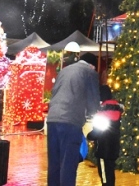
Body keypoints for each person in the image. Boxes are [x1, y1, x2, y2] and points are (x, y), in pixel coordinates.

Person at [46, 52, 100, 186]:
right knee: (68, 163)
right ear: (92, 65)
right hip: (70, 121)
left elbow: (54, 92)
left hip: (52, 119)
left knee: (54, 163)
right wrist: (94, 113)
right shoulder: (89, 72)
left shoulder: (65, 70)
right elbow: (93, 99)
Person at [90, 82, 123, 186]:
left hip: (103, 150)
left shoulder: (101, 114)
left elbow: (96, 133)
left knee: (104, 176)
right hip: (113, 149)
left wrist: (88, 136)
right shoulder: (118, 111)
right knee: (110, 174)